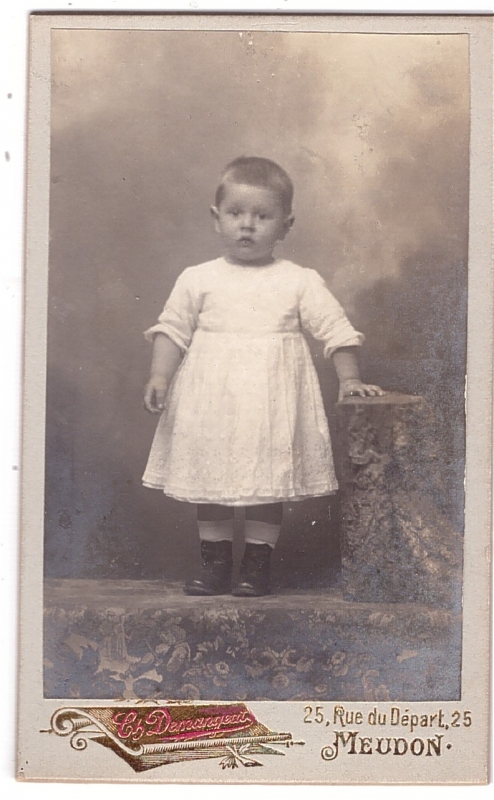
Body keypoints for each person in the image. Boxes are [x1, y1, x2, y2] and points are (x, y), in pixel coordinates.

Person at [142, 156, 384, 597]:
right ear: (216, 219)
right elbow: (172, 330)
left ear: (285, 226)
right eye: (236, 214)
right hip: (211, 403)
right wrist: (159, 375)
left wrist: (349, 379)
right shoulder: (198, 279)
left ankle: (256, 565)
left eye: (262, 216)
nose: (247, 226)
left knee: (266, 483)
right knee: (210, 480)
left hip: (271, 404)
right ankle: (215, 566)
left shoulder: (299, 281)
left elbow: (336, 331)